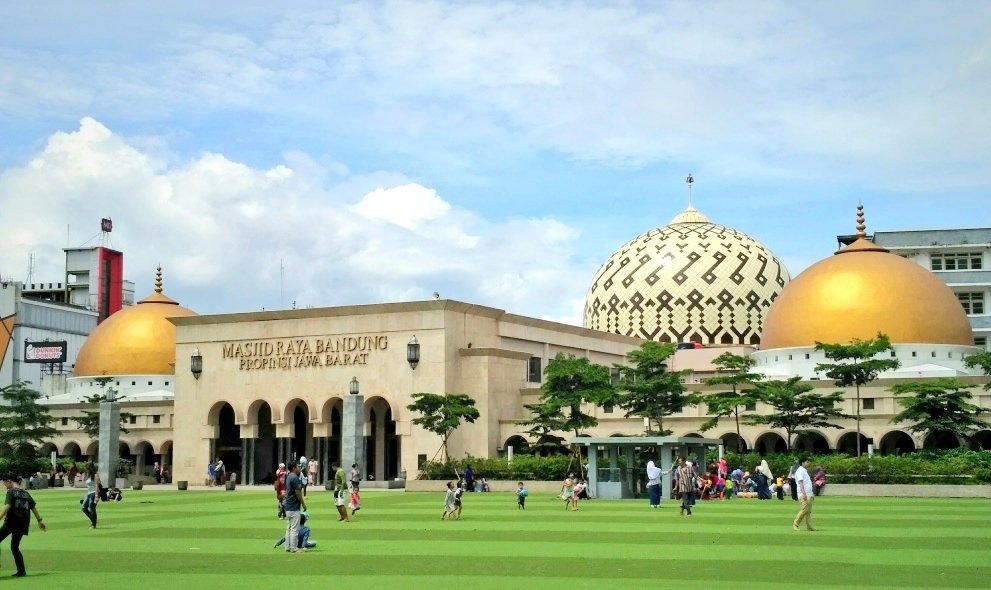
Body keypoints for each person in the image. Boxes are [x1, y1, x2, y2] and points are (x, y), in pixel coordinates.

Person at [0, 473, 47, 577]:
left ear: (9, 481)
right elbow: (33, 508)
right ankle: (21, 571)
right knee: (15, 547)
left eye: (5, 483)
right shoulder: (26, 493)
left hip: (11, 523)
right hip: (22, 524)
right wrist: (40, 520)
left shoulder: (11, 492)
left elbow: (8, 506)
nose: (5, 486)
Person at [282, 462, 307, 553]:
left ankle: (287, 546)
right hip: (293, 506)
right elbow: (298, 493)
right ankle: (293, 548)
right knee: (294, 529)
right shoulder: (295, 478)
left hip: (287, 506)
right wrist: (303, 504)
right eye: (298, 466)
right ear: (293, 468)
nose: (300, 468)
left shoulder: (288, 476)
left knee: (289, 527)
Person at [792, 456, 816, 531]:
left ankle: (809, 526)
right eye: (807, 462)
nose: (808, 463)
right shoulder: (800, 471)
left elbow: (807, 483)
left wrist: (811, 494)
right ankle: (795, 524)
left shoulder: (804, 471)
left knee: (808, 511)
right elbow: (801, 483)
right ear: (802, 463)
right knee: (804, 509)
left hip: (808, 493)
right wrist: (804, 493)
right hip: (803, 494)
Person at [81, 463, 99, 529]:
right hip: (89, 493)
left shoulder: (96, 475)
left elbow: (96, 486)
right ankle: (93, 520)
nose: (86, 470)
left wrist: (96, 496)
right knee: (84, 508)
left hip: (94, 493)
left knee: (92, 508)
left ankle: (94, 524)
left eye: (87, 469)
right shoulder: (89, 476)